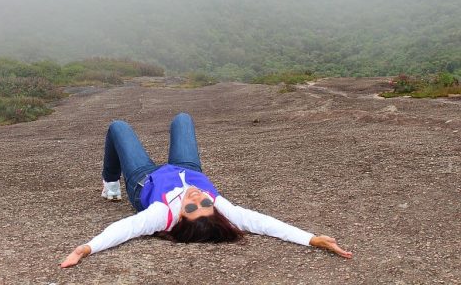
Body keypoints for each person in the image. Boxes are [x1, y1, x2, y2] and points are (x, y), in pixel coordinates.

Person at [60, 113, 352, 268]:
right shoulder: (221, 209)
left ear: (178, 221)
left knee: (118, 127)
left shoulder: (161, 215)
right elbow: (263, 223)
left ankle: (109, 184)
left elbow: (124, 229)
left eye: (190, 208)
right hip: (188, 169)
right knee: (183, 119)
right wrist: (312, 239)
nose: (196, 198)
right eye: (204, 204)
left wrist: (86, 248)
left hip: (145, 180)